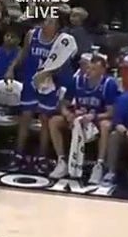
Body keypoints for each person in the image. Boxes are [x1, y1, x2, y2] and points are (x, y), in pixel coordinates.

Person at [49, 55, 119, 187]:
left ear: (102, 71)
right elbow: (63, 104)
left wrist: (94, 117)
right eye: (89, 68)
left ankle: (99, 165)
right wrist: (68, 114)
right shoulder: (76, 81)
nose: (89, 71)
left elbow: (111, 112)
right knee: (54, 121)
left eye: (94, 69)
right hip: (79, 119)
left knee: (105, 126)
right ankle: (62, 161)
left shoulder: (109, 84)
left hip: (98, 119)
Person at [6, 17, 64, 175]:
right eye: (45, 21)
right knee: (25, 117)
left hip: (49, 85)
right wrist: (11, 68)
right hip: (30, 82)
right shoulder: (32, 34)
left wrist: (49, 75)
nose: (46, 24)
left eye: (51, 22)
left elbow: (61, 66)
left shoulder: (61, 41)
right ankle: (18, 153)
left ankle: (42, 156)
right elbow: (22, 54)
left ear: (57, 26)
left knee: (45, 120)